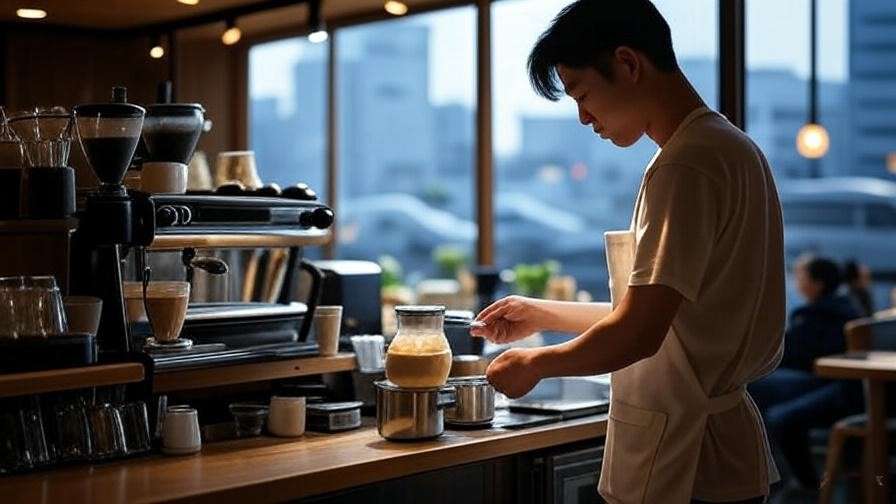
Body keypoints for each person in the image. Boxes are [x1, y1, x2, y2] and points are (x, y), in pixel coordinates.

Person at [471, 1, 786, 503]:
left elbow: (639, 334)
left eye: (581, 93)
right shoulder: (728, 147)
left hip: (688, 465)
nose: (582, 117)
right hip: (717, 457)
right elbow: (667, 321)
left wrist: (536, 364)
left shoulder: (685, 166)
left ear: (628, 64)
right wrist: (541, 313)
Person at [748, 256, 864, 493]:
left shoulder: (812, 314)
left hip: (826, 381)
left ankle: (794, 481)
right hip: (833, 381)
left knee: (753, 387)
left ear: (818, 283)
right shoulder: (846, 307)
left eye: (801, 277)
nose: (796, 282)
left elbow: (789, 355)